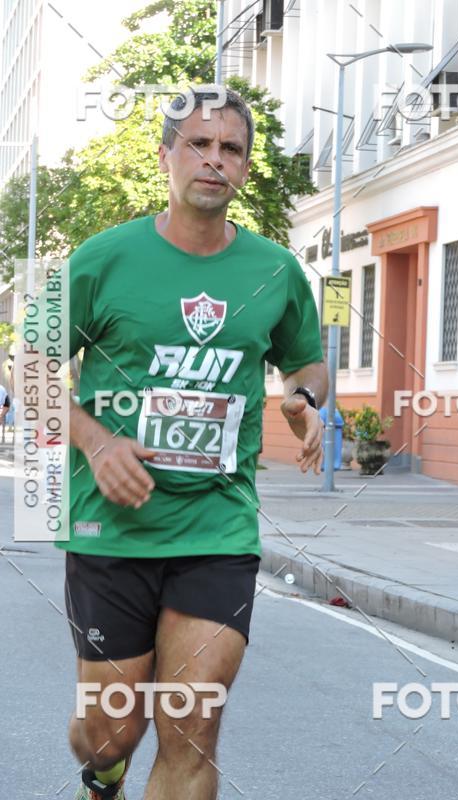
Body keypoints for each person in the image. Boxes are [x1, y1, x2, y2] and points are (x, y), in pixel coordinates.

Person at [58, 88, 327, 800]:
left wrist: (303, 401)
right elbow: (23, 369)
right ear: (167, 157)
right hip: (112, 529)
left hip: (217, 523)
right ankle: (104, 772)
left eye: (231, 148)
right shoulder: (101, 260)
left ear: (243, 168)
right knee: (110, 730)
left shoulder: (275, 271)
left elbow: (305, 363)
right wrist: (94, 441)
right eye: (199, 144)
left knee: (192, 718)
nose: (214, 159)